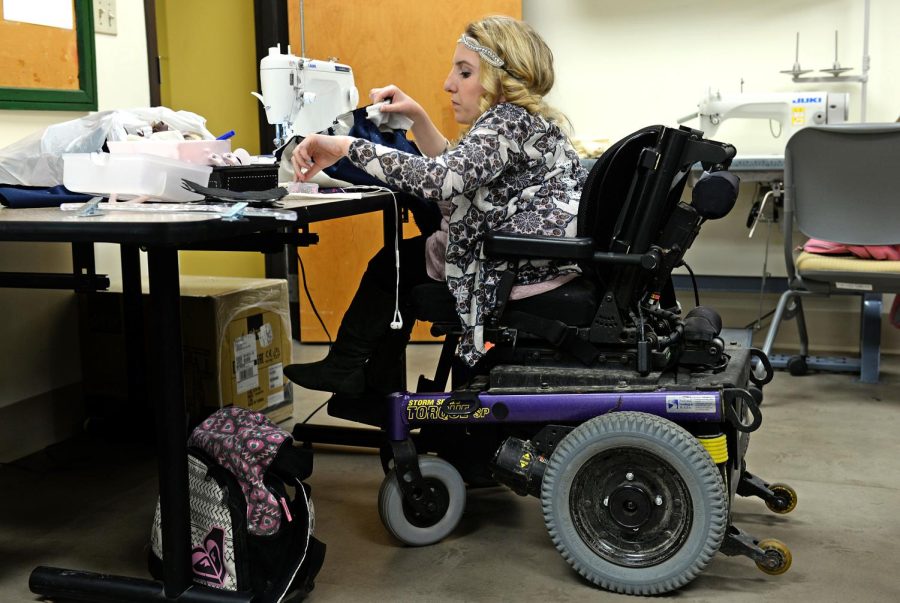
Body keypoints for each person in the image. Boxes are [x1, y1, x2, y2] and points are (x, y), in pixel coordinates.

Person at [284, 15, 586, 396]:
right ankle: (363, 380)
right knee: (400, 261)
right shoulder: (523, 122)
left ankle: (357, 377)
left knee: (395, 264)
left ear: (501, 78)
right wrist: (418, 118)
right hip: (533, 259)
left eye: (464, 72)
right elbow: (459, 166)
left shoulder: (505, 123)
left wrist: (345, 146)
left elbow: (440, 179)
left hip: (518, 268)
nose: (448, 84)